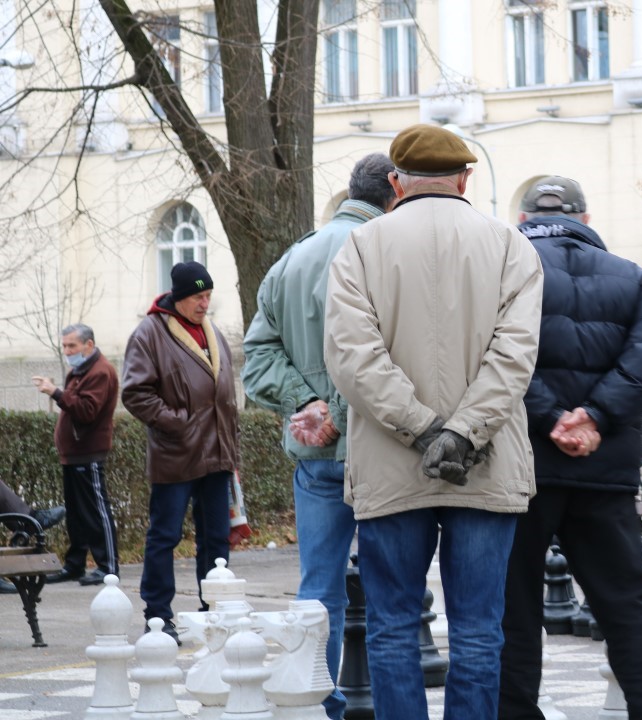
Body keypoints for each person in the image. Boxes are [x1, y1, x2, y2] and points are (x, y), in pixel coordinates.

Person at [323, 124, 543, 719]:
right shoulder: (510, 246)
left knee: (392, 627)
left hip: (391, 464)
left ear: (397, 182)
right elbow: (514, 356)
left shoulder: (360, 247)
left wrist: (422, 429)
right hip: (486, 462)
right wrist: (462, 433)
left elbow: (353, 357)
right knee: (478, 631)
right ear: (464, 179)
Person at [498, 177, 642, 719]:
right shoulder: (635, 279)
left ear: (524, 220)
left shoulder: (502, 273)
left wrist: (552, 417)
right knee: (628, 610)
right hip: (605, 471)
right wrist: (596, 416)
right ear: (585, 219)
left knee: (515, 611)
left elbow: (495, 354)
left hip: (522, 470)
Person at [242, 153, 397, 719]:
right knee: (393, 595)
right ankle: (391, 706)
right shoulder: (389, 252)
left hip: (317, 456)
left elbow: (257, 357)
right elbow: (393, 357)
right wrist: (337, 410)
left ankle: (320, 704)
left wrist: (308, 404)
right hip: (383, 453)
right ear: (395, 191)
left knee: (318, 593)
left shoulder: (294, 258)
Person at [121, 261, 239, 644]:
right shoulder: (149, 333)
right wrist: (178, 423)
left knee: (216, 538)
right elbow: (135, 393)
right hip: (177, 454)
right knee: (165, 536)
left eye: (209, 296)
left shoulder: (212, 331)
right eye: (198, 297)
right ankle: (158, 615)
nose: (205, 304)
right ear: (179, 297)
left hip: (217, 454)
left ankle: (214, 610)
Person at [32, 324, 121, 588]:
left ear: (88, 345)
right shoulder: (81, 370)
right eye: (64, 346)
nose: (67, 351)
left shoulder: (100, 371)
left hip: (88, 452)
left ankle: (108, 567)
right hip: (74, 453)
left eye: (72, 345)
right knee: (77, 513)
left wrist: (55, 392)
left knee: (95, 510)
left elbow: (86, 411)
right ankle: (75, 564)